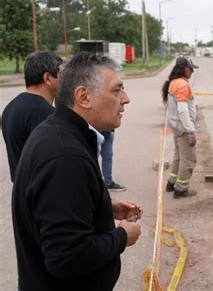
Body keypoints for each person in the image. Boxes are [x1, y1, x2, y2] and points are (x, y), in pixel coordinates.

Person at [12, 52, 142, 290]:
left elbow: (53, 206)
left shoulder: (56, 133)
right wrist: (122, 237)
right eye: (117, 90)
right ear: (84, 97)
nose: (126, 99)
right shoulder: (65, 157)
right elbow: (67, 258)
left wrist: (103, 206)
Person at [2, 51, 63, 182]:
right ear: (48, 78)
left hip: (21, 191)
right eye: (61, 75)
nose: (65, 80)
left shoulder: (11, 107)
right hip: (41, 194)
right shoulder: (45, 114)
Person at [161, 56, 199, 199]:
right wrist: (190, 130)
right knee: (189, 159)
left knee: (179, 156)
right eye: (191, 69)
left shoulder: (173, 82)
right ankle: (181, 189)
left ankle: (171, 182)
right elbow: (182, 110)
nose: (192, 72)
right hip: (183, 128)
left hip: (176, 126)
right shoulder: (182, 85)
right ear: (185, 69)